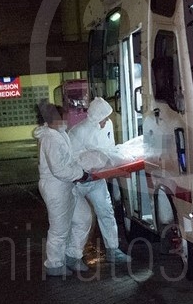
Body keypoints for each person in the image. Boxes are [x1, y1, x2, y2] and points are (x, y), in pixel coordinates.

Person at [33, 100, 95, 276]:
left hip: (67, 185)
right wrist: (81, 174)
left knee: (83, 218)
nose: (66, 119)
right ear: (53, 119)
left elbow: (67, 160)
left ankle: (72, 255)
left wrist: (81, 168)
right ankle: (54, 264)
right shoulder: (50, 138)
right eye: (62, 116)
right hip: (56, 187)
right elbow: (59, 168)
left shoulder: (58, 134)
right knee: (59, 228)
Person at [68, 97, 132, 263]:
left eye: (107, 118)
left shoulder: (107, 125)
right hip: (78, 183)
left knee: (106, 211)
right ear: (96, 118)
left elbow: (109, 150)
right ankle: (72, 254)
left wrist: (111, 165)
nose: (107, 121)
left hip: (97, 180)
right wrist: (90, 164)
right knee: (80, 220)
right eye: (103, 119)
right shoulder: (78, 132)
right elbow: (72, 159)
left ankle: (112, 249)